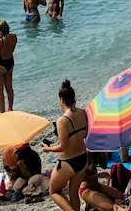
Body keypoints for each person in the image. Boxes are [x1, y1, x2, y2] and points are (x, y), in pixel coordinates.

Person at [45, 80, 90, 211]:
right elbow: (85, 134)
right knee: (73, 192)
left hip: (67, 162)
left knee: (54, 191)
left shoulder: (62, 120)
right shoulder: (83, 112)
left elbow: (63, 146)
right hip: (82, 158)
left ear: (61, 99)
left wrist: (48, 149)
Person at [0, 19, 17, 112]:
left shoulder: (0, 41)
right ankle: (10, 108)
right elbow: (11, 49)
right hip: (10, 62)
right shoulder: (14, 37)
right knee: (9, 88)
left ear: (0, 30)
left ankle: (2, 112)